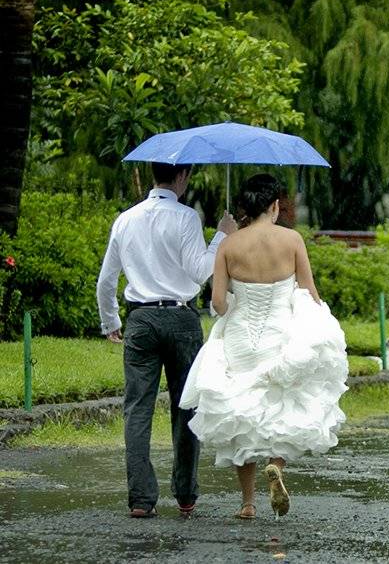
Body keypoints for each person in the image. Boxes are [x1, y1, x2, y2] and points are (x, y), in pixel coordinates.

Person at [180, 173, 349, 520]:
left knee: (240, 411)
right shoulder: (291, 240)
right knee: (282, 407)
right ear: (274, 205)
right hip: (278, 334)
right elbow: (308, 291)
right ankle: (276, 465)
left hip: (241, 338)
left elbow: (218, 303)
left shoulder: (229, 245)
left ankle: (247, 503)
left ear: (246, 207)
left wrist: (234, 300)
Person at [96, 162, 238, 519]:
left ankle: (141, 499)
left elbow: (106, 279)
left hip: (140, 319)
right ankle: (186, 494)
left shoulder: (125, 219)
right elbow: (201, 271)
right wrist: (221, 235)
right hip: (180, 318)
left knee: (137, 408)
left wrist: (110, 321)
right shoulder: (186, 216)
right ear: (182, 176)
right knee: (186, 405)